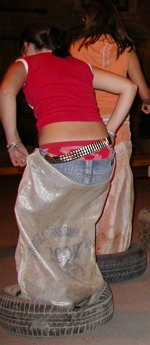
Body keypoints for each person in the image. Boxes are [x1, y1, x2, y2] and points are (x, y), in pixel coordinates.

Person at [0, 23, 136, 308]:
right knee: (75, 224)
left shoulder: (25, 63)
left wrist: (14, 142)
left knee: (36, 221)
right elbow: (129, 87)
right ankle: (75, 283)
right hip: (101, 160)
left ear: (27, 46)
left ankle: (54, 295)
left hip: (63, 161)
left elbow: (5, 92)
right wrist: (110, 132)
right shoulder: (80, 66)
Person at [71, 0, 150, 255]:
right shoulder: (125, 50)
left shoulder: (75, 48)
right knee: (116, 186)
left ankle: (83, 244)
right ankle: (112, 246)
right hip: (117, 128)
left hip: (85, 126)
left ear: (88, 20)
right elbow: (142, 90)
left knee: (85, 185)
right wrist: (147, 102)